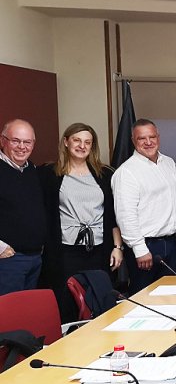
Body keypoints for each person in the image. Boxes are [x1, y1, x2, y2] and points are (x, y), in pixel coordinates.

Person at [39, 123, 122, 322]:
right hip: (65, 251)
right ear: (66, 142)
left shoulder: (104, 174)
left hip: (99, 250)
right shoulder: (49, 174)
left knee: (100, 301)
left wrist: (118, 247)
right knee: (67, 303)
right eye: (77, 140)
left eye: (87, 142)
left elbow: (112, 215)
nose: (82, 146)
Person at [112, 119, 176, 294]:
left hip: (171, 243)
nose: (148, 142)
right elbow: (126, 215)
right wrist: (139, 248)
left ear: (158, 137)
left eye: (152, 137)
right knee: (144, 301)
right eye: (142, 138)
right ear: (133, 141)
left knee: (170, 297)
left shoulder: (169, 163)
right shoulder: (126, 172)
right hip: (145, 246)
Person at [0, 119, 47, 296]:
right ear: (3, 140)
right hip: (8, 260)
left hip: (35, 258)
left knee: (24, 314)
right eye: (15, 141)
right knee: (7, 317)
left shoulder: (32, 171)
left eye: (27, 142)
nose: (22, 147)